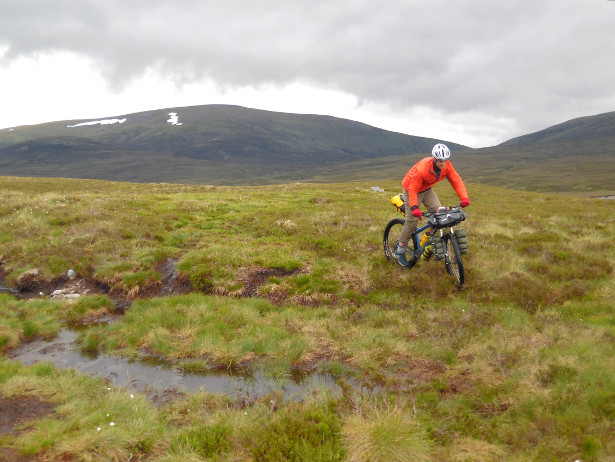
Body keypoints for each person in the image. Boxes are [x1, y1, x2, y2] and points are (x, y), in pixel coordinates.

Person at [394, 143, 470, 266]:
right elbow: (413, 189)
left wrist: (464, 197)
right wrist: (414, 207)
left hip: (427, 189)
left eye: (445, 160)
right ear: (435, 159)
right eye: (440, 161)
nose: (443, 163)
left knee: (439, 216)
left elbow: (456, 180)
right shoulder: (423, 169)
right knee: (412, 221)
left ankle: (427, 244)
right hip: (411, 190)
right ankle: (400, 249)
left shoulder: (447, 166)